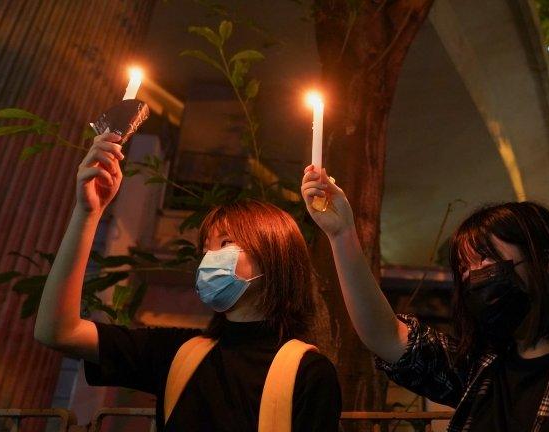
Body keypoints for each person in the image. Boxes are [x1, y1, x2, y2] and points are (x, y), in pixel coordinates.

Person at [301, 165, 549, 431]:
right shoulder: (483, 369)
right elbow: (385, 336)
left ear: (543, 261)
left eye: (488, 258)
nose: (476, 277)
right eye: (465, 269)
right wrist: (341, 234)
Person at [34, 133, 341, 432]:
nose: (209, 258)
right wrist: (88, 213)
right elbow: (58, 331)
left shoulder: (309, 373)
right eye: (205, 248)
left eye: (225, 243)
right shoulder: (178, 352)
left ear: (274, 258)